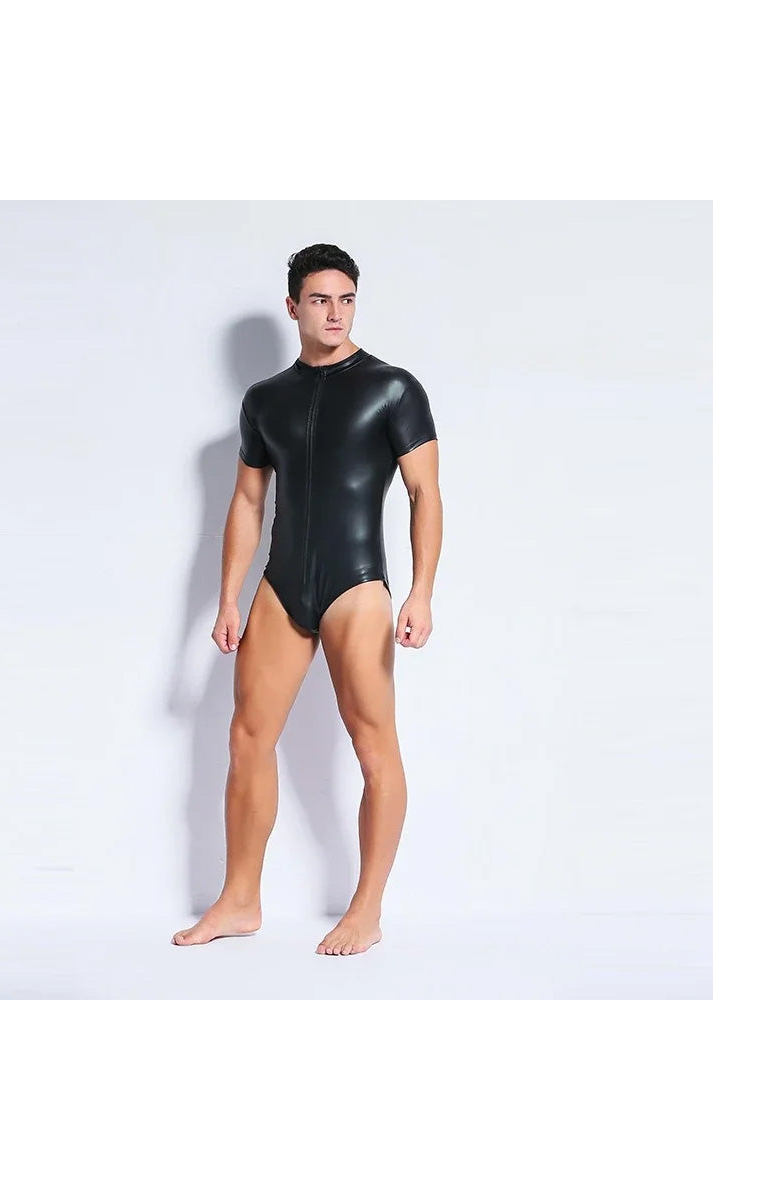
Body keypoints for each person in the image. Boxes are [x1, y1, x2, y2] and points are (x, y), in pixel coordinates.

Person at [173, 243, 443, 955]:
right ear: (293, 306)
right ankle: (239, 900)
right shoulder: (266, 400)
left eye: (346, 299)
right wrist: (227, 599)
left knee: (374, 746)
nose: (335, 313)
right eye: (320, 300)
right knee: (246, 738)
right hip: (282, 583)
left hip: (357, 585)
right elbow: (247, 501)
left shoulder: (394, 388)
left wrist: (421, 592)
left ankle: (367, 910)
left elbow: (425, 493)